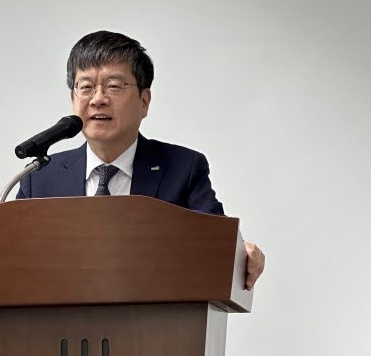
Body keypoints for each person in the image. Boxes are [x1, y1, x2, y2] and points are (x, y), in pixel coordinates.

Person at [17, 30, 265, 290]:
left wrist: (243, 253)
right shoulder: (39, 178)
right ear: (73, 99)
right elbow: (10, 256)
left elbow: (217, 246)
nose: (98, 99)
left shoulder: (184, 169)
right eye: (86, 87)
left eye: (114, 86)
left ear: (144, 101)